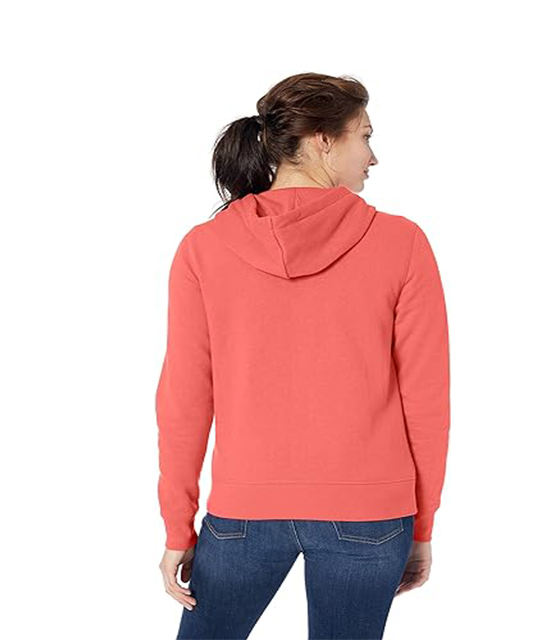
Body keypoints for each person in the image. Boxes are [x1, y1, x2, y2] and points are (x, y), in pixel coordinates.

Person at [156, 72, 451, 639]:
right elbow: (426, 400)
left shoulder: (204, 247)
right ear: (323, 140)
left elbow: (183, 401)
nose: (373, 156)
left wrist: (177, 526)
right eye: (365, 136)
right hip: (371, 514)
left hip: (244, 510)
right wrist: (422, 524)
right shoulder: (401, 243)